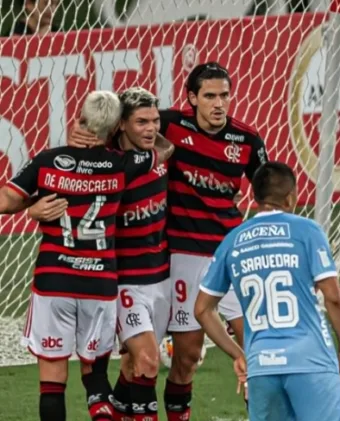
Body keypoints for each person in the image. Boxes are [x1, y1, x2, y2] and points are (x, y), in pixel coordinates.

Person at [68, 62, 269, 420]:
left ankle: (267, 407)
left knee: (257, 344)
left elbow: (269, 191)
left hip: (228, 253)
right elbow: (124, 122)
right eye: (209, 96)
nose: (218, 104)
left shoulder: (248, 140)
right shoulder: (169, 125)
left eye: (224, 95)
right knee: (173, 357)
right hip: (179, 257)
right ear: (192, 97)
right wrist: (84, 132)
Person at [0, 90, 173, 421]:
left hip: (53, 282)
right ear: (116, 127)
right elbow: (164, 150)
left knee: (52, 383)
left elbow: (5, 201)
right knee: (95, 377)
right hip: (100, 284)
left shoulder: (47, 161)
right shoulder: (123, 165)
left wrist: (33, 206)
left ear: (80, 121)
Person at [194, 161, 340, 421]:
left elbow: (202, 310)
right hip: (310, 360)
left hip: (261, 366)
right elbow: (333, 297)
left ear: (255, 197)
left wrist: (238, 354)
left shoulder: (233, 241)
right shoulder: (306, 230)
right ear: (291, 197)